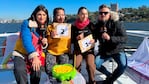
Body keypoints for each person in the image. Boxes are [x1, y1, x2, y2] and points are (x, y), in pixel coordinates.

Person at [12, 5, 49, 84]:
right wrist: (34, 56)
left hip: (35, 53)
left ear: (46, 16)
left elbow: (40, 44)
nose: (41, 17)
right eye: (39, 14)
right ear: (35, 15)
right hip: (21, 53)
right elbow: (26, 39)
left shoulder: (45, 27)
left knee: (37, 70)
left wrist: (44, 43)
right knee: (19, 70)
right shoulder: (27, 23)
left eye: (44, 15)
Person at [94, 4, 127, 84]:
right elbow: (93, 35)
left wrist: (110, 38)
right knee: (96, 64)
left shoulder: (117, 23)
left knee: (123, 65)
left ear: (110, 13)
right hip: (104, 51)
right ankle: (109, 75)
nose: (103, 14)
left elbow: (124, 38)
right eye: (101, 13)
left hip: (117, 50)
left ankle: (109, 81)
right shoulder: (98, 25)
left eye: (105, 13)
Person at [45, 7, 71, 83]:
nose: (61, 17)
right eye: (58, 15)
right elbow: (47, 42)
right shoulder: (50, 27)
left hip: (64, 51)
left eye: (63, 15)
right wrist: (51, 36)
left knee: (64, 69)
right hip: (51, 51)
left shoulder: (68, 27)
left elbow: (71, 40)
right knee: (50, 69)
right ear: (54, 16)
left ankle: (62, 81)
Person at [72, 7, 96, 84]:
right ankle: (78, 82)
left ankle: (92, 81)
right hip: (78, 50)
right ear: (78, 15)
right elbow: (71, 40)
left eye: (86, 14)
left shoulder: (91, 25)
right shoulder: (73, 26)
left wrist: (94, 40)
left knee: (90, 66)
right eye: (82, 13)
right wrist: (76, 38)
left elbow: (96, 36)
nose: (84, 15)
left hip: (89, 50)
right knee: (76, 66)